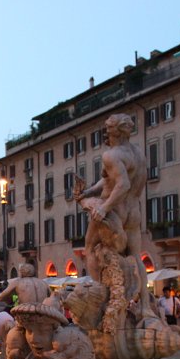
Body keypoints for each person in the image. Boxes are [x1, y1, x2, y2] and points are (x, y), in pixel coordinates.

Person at [72, 113, 146, 281]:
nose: (105, 131)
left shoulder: (111, 155)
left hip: (113, 210)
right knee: (136, 257)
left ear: (116, 131)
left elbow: (123, 184)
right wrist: (88, 192)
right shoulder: (139, 154)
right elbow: (109, 179)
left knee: (89, 248)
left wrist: (104, 208)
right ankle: (143, 299)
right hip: (133, 211)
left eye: (108, 127)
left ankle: (99, 290)